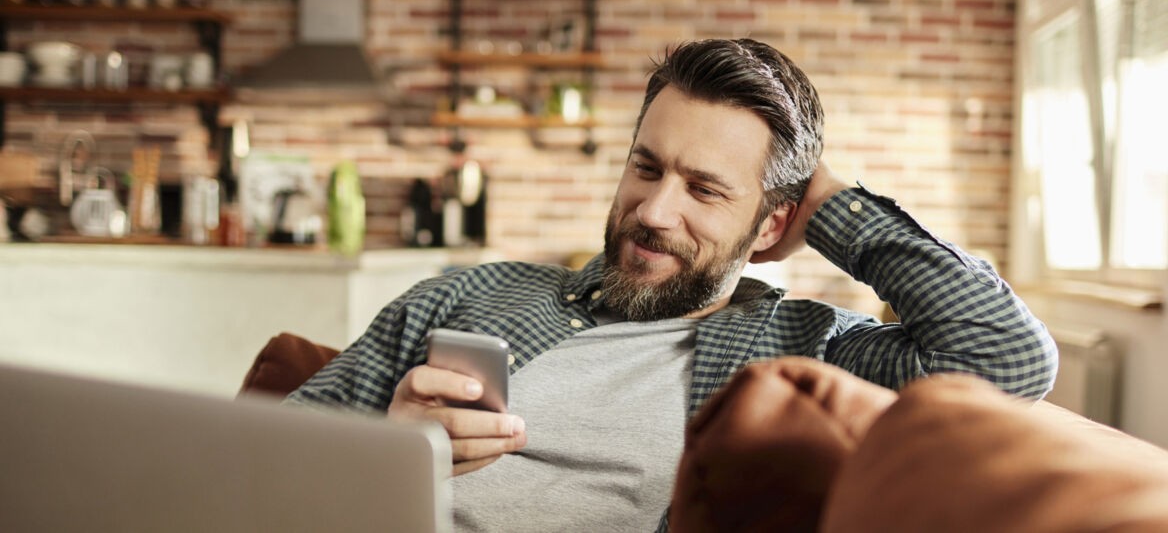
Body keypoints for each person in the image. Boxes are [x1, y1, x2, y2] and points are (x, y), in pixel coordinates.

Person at [287, 38, 1058, 532]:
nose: (654, 211)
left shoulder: (809, 356)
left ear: (771, 224)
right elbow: (269, 460)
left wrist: (829, 203)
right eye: (646, 167)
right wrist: (386, 446)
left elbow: (1006, 358)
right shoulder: (470, 295)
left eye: (705, 189)